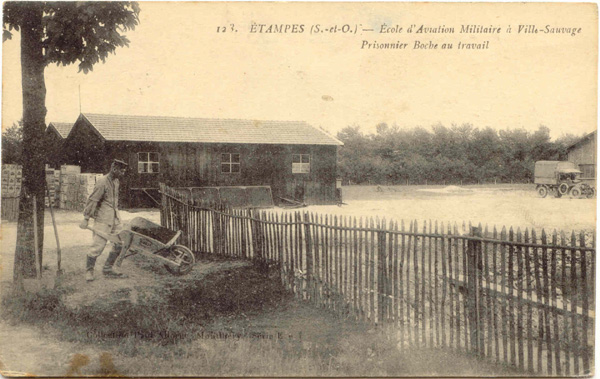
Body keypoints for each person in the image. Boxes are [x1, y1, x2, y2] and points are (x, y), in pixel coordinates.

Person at [79, 159, 129, 281]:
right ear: (114, 169)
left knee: (119, 243)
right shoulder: (102, 182)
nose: (123, 173)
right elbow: (93, 200)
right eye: (121, 171)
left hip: (115, 219)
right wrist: (86, 218)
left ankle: (108, 269)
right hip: (103, 220)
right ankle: (89, 271)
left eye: (124, 171)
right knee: (97, 246)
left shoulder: (116, 182)